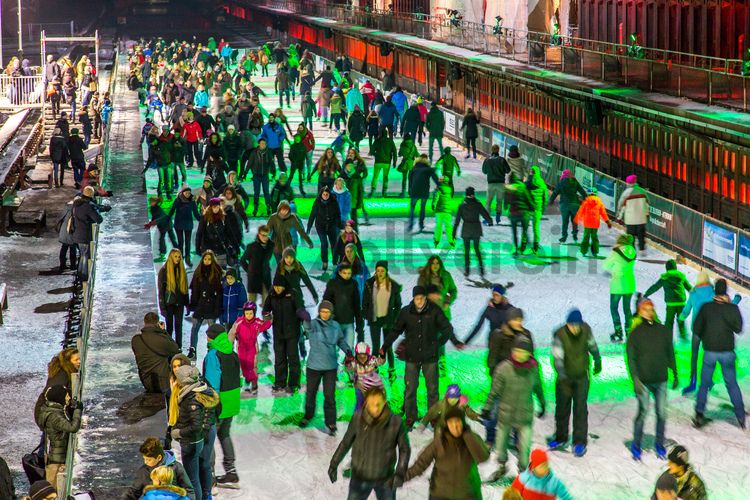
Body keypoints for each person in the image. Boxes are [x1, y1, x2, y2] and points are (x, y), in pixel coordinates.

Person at [383, 286, 462, 428]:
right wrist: (384, 347)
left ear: (425, 298)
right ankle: (410, 417)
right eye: (417, 298)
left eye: (422, 298)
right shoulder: (406, 312)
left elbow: (447, 328)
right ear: (413, 298)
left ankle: (433, 417)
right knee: (410, 389)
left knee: (432, 390)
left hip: (430, 358)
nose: (419, 301)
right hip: (412, 357)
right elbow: (395, 331)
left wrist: (439, 343)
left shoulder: (434, 311)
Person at [328, 386, 410, 499]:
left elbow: (405, 449)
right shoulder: (357, 419)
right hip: (360, 477)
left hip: (385, 478)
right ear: (366, 402)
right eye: (371, 404)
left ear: (384, 401)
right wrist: (334, 464)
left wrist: (400, 472)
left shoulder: (396, 422)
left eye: (378, 404)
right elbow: (346, 443)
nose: (375, 409)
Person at [483, 335, 545, 481]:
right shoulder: (503, 368)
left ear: (529, 353)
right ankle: (502, 467)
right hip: (506, 415)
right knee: (501, 447)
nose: (518, 354)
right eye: (516, 350)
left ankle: (523, 473)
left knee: (524, 451)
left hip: (524, 416)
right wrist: (487, 408)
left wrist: (542, 403)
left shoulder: (534, 369)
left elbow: (538, 387)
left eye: (522, 351)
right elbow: (494, 391)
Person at [626, 298, 678, 460]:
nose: (649, 312)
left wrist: (675, 373)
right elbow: (631, 358)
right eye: (645, 309)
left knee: (661, 413)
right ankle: (636, 444)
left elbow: (670, 352)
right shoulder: (635, 334)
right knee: (642, 412)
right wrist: (635, 379)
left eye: (651, 309)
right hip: (643, 381)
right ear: (640, 312)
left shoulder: (663, 330)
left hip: (661, 379)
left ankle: (659, 444)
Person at [547, 309, 602, 457]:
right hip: (564, 378)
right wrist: (563, 375)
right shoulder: (559, 334)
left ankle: (579, 441)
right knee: (562, 409)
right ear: (567, 324)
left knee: (580, 409)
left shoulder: (586, 329)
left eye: (577, 325)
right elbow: (557, 358)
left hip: (581, 376)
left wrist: (597, 359)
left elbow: (592, 345)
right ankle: (560, 437)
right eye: (572, 325)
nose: (575, 328)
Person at [692, 278, 745, 429]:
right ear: (726, 291)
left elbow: (697, 329)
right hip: (727, 352)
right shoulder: (732, 309)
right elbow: (739, 329)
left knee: (704, 384)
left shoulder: (706, 308)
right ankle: (740, 416)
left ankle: (699, 414)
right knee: (732, 384)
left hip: (709, 351)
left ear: (715, 290)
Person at [404, 407, 490, 498]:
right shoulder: (439, 442)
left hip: (468, 495)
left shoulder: (472, 438)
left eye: (457, 421)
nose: (455, 426)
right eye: (451, 422)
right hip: (441, 495)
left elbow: (483, 457)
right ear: (447, 425)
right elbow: (420, 464)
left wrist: (467, 435)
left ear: (463, 422)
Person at [678, 272, 741, 394]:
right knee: (709, 357)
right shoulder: (713, 293)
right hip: (709, 330)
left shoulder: (693, 294)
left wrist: (680, 317)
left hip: (697, 329)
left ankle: (693, 381)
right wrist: (736, 300)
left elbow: (686, 311)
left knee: (694, 356)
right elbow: (727, 307)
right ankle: (708, 381)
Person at [300, 300, 352, 434]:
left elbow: (340, 340)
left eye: (327, 312)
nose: (324, 314)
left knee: (329, 396)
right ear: (319, 312)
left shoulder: (335, 326)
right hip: (314, 366)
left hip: (330, 366)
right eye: (322, 311)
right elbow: (307, 327)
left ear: (331, 313)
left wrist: (348, 350)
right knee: (311, 393)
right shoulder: (314, 324)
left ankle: (331, 423)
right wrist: (305, 319)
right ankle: (308, 415)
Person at [169, 365, 218, 500]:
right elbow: (217, 410)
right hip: (207, 431)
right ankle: (206, 495)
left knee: (192, 478)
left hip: (193, 439)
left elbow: (195, 426)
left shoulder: (190, 398)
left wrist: (178, 433)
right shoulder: (206, 390)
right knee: (204, 465)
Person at [202, 324, 242, 487]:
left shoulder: (213, 355)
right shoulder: (232, 353)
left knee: (208, 439)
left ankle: (209, 477)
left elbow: (212, 384)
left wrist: (209, 404)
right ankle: (231, 472)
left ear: (213, 337)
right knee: (224, 434)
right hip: (232, 402)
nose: (206, 338)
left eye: (208, 336)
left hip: (218, 404)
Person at [262, 275, 308, 393]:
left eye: (280, 287)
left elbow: (300, 310)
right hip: (278, 331)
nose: (277, 289)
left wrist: (306, 326)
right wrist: (267, 320)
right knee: (280, 358)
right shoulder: (272, 294)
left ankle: (294, 383)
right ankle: (280, 382)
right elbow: (266, 309)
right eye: (276, 286)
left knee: (293, 357)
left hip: (292, 331)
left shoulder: (292, 293)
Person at [361, 261, 401, 381]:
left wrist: (395, 318)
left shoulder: (393, 286)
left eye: (382, 271)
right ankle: (374, 369)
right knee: (376, 346)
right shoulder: (369, 284)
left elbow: (398, 304)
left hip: (388, 320)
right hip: (375, 320)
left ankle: (391, 369)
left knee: (387, 347)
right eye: (378, 270)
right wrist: (366, 313)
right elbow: (365, 302)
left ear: (386, 271)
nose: (380, 273)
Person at [122, 437, 194, 500]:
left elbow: (189, 490)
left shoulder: (176, 467)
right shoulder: (144, 471)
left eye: (149, 460)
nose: (145, 462)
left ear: (159, 457)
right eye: (144, 459)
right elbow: (134, 492)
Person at [37, 385, 82, 485]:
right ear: (59, 398)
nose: (69, 398)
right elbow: (72, 427)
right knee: (55, 488)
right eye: (66, 396)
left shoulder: (52, 411)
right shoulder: (54, 416)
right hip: (57, 460)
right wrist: (77, 411)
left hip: (54, 457)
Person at [642, 259, 693, 340]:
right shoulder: (681, 276)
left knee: (669, 322)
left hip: (671, 304)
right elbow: (689, 288)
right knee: (681, 321)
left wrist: (646, 294)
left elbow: (655, 287)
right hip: (681, 303)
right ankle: (684, 340)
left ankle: (667, 339)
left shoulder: (665, 277)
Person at [132, 312, 181, 394]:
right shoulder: (162, 340)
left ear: (144, 322)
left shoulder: (136, 340)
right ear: (157, 323)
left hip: (146, 381)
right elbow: (176, 349)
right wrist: (164, 331)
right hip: (162, 382)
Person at [228, 302, 271, 395]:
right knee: (244, 366)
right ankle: (247, 380)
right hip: (241, 348)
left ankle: (254, 384)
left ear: (254, 313)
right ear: (244, 313)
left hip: (252, 348)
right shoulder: (239, 322)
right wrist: (229, 344)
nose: (248, 315)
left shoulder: (257, 322)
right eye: (247, 313)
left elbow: (266, 324)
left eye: (251, 313)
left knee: (252, 366)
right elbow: (232, 333)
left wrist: (268, 317)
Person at [187, 251, 223, 359]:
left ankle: (212, 351)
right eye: (205, 259)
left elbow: (219, 294)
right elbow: (194, 290)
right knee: (194, 329)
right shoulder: (198, 273)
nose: (207, 261)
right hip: (200, 306)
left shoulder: (216, 274)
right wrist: (192, 305)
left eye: (209, 259)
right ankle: (192, 351)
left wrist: (217, 309)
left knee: (212, 331)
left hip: (211, 307)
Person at [34, 348, 80, 430]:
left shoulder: (60, 370)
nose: (79, 362)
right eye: (76, 360)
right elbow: (57, 397)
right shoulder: (62, 377)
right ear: (68, 362)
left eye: (79, 359)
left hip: (43, 412)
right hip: (47, 415)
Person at [603, 233, 637, 342]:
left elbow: (606, 265)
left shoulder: (615, 252)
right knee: (627, 309)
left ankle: (618, 331)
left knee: (614, 308)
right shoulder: (632, 251)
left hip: (617, 283)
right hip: (629, 283)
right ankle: (629, 330)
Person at [453, 186, 493, 277]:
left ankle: (467, 270)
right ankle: (481, 269)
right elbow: (484, 214)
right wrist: (490, 221)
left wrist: (453, 233)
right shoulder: (477, 204)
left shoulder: (462, 205)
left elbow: (457, 220)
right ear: (473, 194)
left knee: (466, 250)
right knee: (477, 249)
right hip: (476, 229)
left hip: (466, 229)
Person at [323, 263, 364, 350]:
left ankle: (348, 362)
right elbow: (326, 302)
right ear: (340, 272)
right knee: (333, 348)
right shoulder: (332, 283)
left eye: (349, 273)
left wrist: (359, 322)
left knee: (349, 349)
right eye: (344, 273)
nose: (347, 275)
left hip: (349, 322)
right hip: (335, 322)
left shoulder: (353, 284)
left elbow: (356, 304)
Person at [158, 250, 189, 347]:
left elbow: (185, 289)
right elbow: (161, 291)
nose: (178, 259)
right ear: (171, 257)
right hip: (169, 304)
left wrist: (187, 304)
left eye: (179, 257)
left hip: (179, 304)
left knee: (179, 327)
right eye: (175, 256)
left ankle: (178, 348)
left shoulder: (181, 270)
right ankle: (169, 349)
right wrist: (162, 307)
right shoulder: (164, 271)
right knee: (169, 328)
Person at [549, 169, 587, 243]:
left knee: (565, 221)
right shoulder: (575, 182)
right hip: (574, 204)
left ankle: (564, 236)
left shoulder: (561, 183)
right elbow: (583, 192)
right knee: (574, 220)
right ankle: (575, 235)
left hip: (564, 204)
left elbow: (555, 192)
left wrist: (551, 201)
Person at [240, 225, 274, 304]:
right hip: (254, 277)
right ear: (258, 234)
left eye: (267, 235)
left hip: (265, 277)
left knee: (267, 305)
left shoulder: (271, 245)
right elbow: (242, 260)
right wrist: (249, 270)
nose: (265, 237)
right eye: (263, 235)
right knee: (251, 304)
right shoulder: (252, 247)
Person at [168, 186, 201, 267]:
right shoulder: (177, 200)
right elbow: (172, 211)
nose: (187, 194)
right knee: (180, 242)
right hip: (179, 224)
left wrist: (202, 220)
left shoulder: (192, 201)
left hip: (188, 224)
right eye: (186, 193)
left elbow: (196, 213)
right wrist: (167, 220)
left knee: (187, 242)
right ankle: (180, 257)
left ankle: (187, 258)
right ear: (182, 193)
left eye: (189, 193)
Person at [573, 187, 611, 257]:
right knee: (594, 237)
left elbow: (580, 212)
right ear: (596, 194)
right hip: (595, 223)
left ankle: (583, 251)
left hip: (587, 223)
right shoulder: (599, 202)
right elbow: (603, 213)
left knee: (586, 237)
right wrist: (607, 221)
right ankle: (595, 251)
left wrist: (576, 220)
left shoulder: (586, 202)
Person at [408, 154, 440, 233]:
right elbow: (435, 178)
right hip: (424, 191)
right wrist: (439, 186)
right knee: (422, 208)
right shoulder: (428, 169)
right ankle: (421, 224)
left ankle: (411, 224)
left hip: (414, 190)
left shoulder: (414, 168)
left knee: (412, 207)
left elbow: (410, 180)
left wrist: (410, 190)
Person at [617, 174, 650, 251]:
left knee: (630, 238)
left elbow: (621, 205)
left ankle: (632, 252)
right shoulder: (642, 191)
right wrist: (647, 214)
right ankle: (642, 250)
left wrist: (619, 217)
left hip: (630, 220)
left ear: (628, 183)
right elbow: (647, 204)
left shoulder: (626, 193)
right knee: (641, 236)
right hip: (641, 220)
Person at [245, 138, 276, 216]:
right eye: (262, 143)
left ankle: (268, 207)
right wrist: (245, 173)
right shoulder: (254, 153)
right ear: (259, 144)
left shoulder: (268, 153)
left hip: (265, 176)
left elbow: (271, 163)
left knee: (266, 192)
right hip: (256, 176)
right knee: (256, 192)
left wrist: (273, 172)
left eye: (264, 144)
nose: (263, 145)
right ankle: (255, 207)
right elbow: (250, 163)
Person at [504, 174, 534, 256]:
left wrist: (506, 207)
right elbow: (528, 199)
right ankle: (523, 249)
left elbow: (506, 203)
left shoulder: (508, 188)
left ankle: (516, 248)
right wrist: (532, 207)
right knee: (524, 232)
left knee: (514, 232)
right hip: (524, 213)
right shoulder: (522, 187)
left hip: (513, 213)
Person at [483, 144, 510, 224]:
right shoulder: (502, 160)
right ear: (498, 150)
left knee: (488, 201)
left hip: (491, 183)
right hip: (501, 183)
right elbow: (508, 170)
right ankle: (498, 217)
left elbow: (484, 171)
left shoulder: (487, 159)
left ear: (491, 150)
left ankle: (487, 218)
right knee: (499, 201)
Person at [526, 166, 548, 254]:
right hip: (537, 209)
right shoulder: (542, 183)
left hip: (528, 208)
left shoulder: (528, 182)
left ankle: (525, 244)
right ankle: (535, 246)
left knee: (525, 227)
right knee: (536, 228)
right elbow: (545, 197)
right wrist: (543, 208)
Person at [369, 130, 397, 197]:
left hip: (378, 161)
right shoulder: (390, 141)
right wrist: (394, 162)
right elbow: (394, 152)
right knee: (385, 177)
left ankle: (373, 192)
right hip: (387, 162)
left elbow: (372, 151)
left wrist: (376, 154)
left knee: (375, 177)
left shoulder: (377, 141)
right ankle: (384, 192)